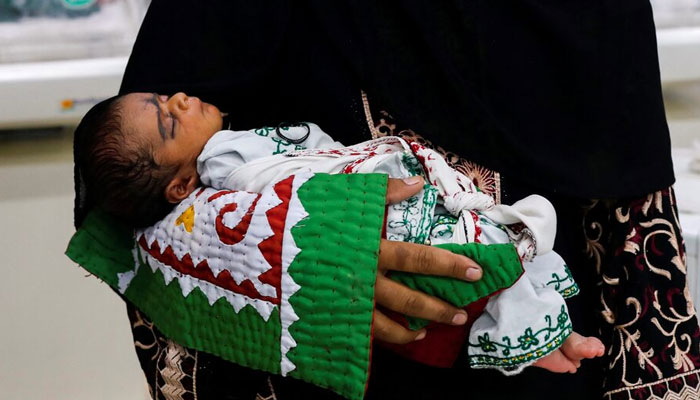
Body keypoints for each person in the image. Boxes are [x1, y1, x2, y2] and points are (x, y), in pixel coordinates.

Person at [76, 1, 699, 398]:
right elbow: (126, 200)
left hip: (545, 351)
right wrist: (301, 256)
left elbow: (634, 229)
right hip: (324, 368)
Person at [73, 90, 604, 375]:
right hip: (371, 257)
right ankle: (546, 336)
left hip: (414, 232)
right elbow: (130, 224)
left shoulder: (221, 149)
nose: (182, 98)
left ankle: (550, 336)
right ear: (181, 183)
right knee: (486, 262)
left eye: (168, 96)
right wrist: (324, 247)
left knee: (496, 271)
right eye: (169, 118)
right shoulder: (223, 162)